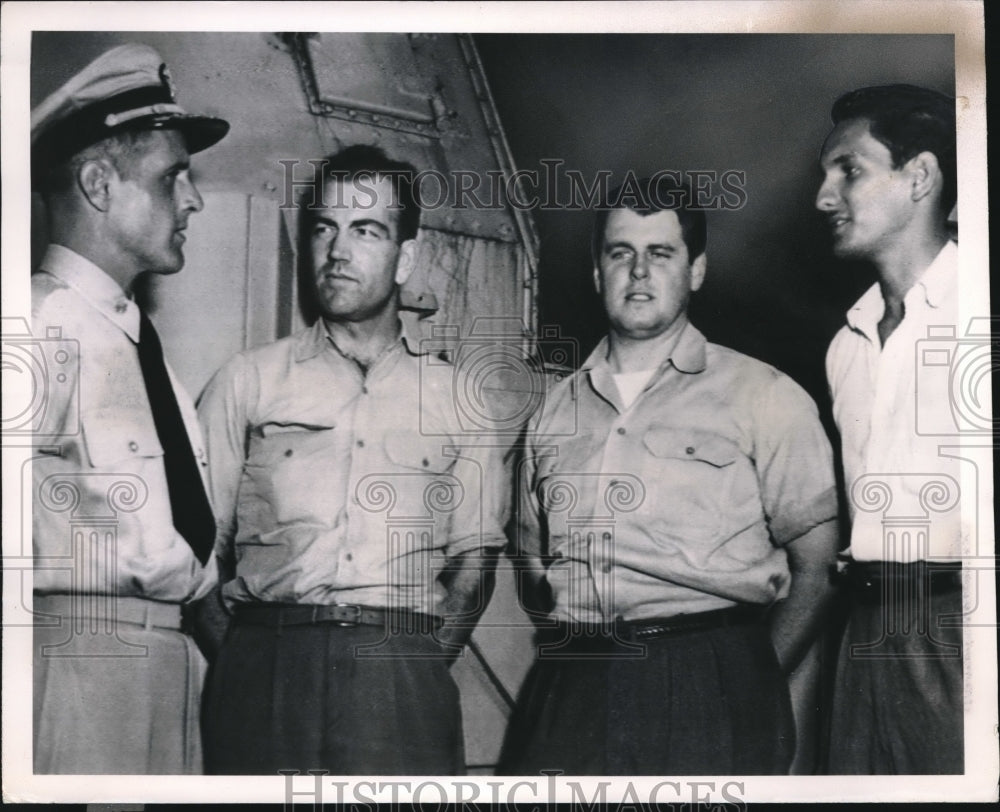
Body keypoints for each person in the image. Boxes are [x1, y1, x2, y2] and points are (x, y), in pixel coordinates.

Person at [500, 174, 840, 775]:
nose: (638, 272)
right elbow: (533, 565)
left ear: (697, 270)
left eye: (660, 254)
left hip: (708, 674)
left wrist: (748, 682)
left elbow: (816, 570)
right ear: (597, 272)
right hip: (572, 681)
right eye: (620, 252)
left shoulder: (764, 396)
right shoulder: (553, 411)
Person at [197, 144, 508, 775]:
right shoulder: (247, 382)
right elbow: (198, 550)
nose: (338, 251)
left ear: (407, 257)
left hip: (400, 675)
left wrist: (418, 662)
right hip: (267, 665)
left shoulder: (459, 400)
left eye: (366, 230)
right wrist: (246, 661)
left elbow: (474, 563)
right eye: (324, 228)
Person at [30, 43, 229, 773]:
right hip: (78, 667)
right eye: (173, 176)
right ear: (98, 183)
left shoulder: (140, 349)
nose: (194, 199)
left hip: (164, 665)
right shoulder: (34, 326)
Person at [816, 84, 963, 774]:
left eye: (849, 170)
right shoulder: (847, 346)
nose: (823, 197)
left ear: (921, 177)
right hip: (864, 630)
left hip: (962, 628)